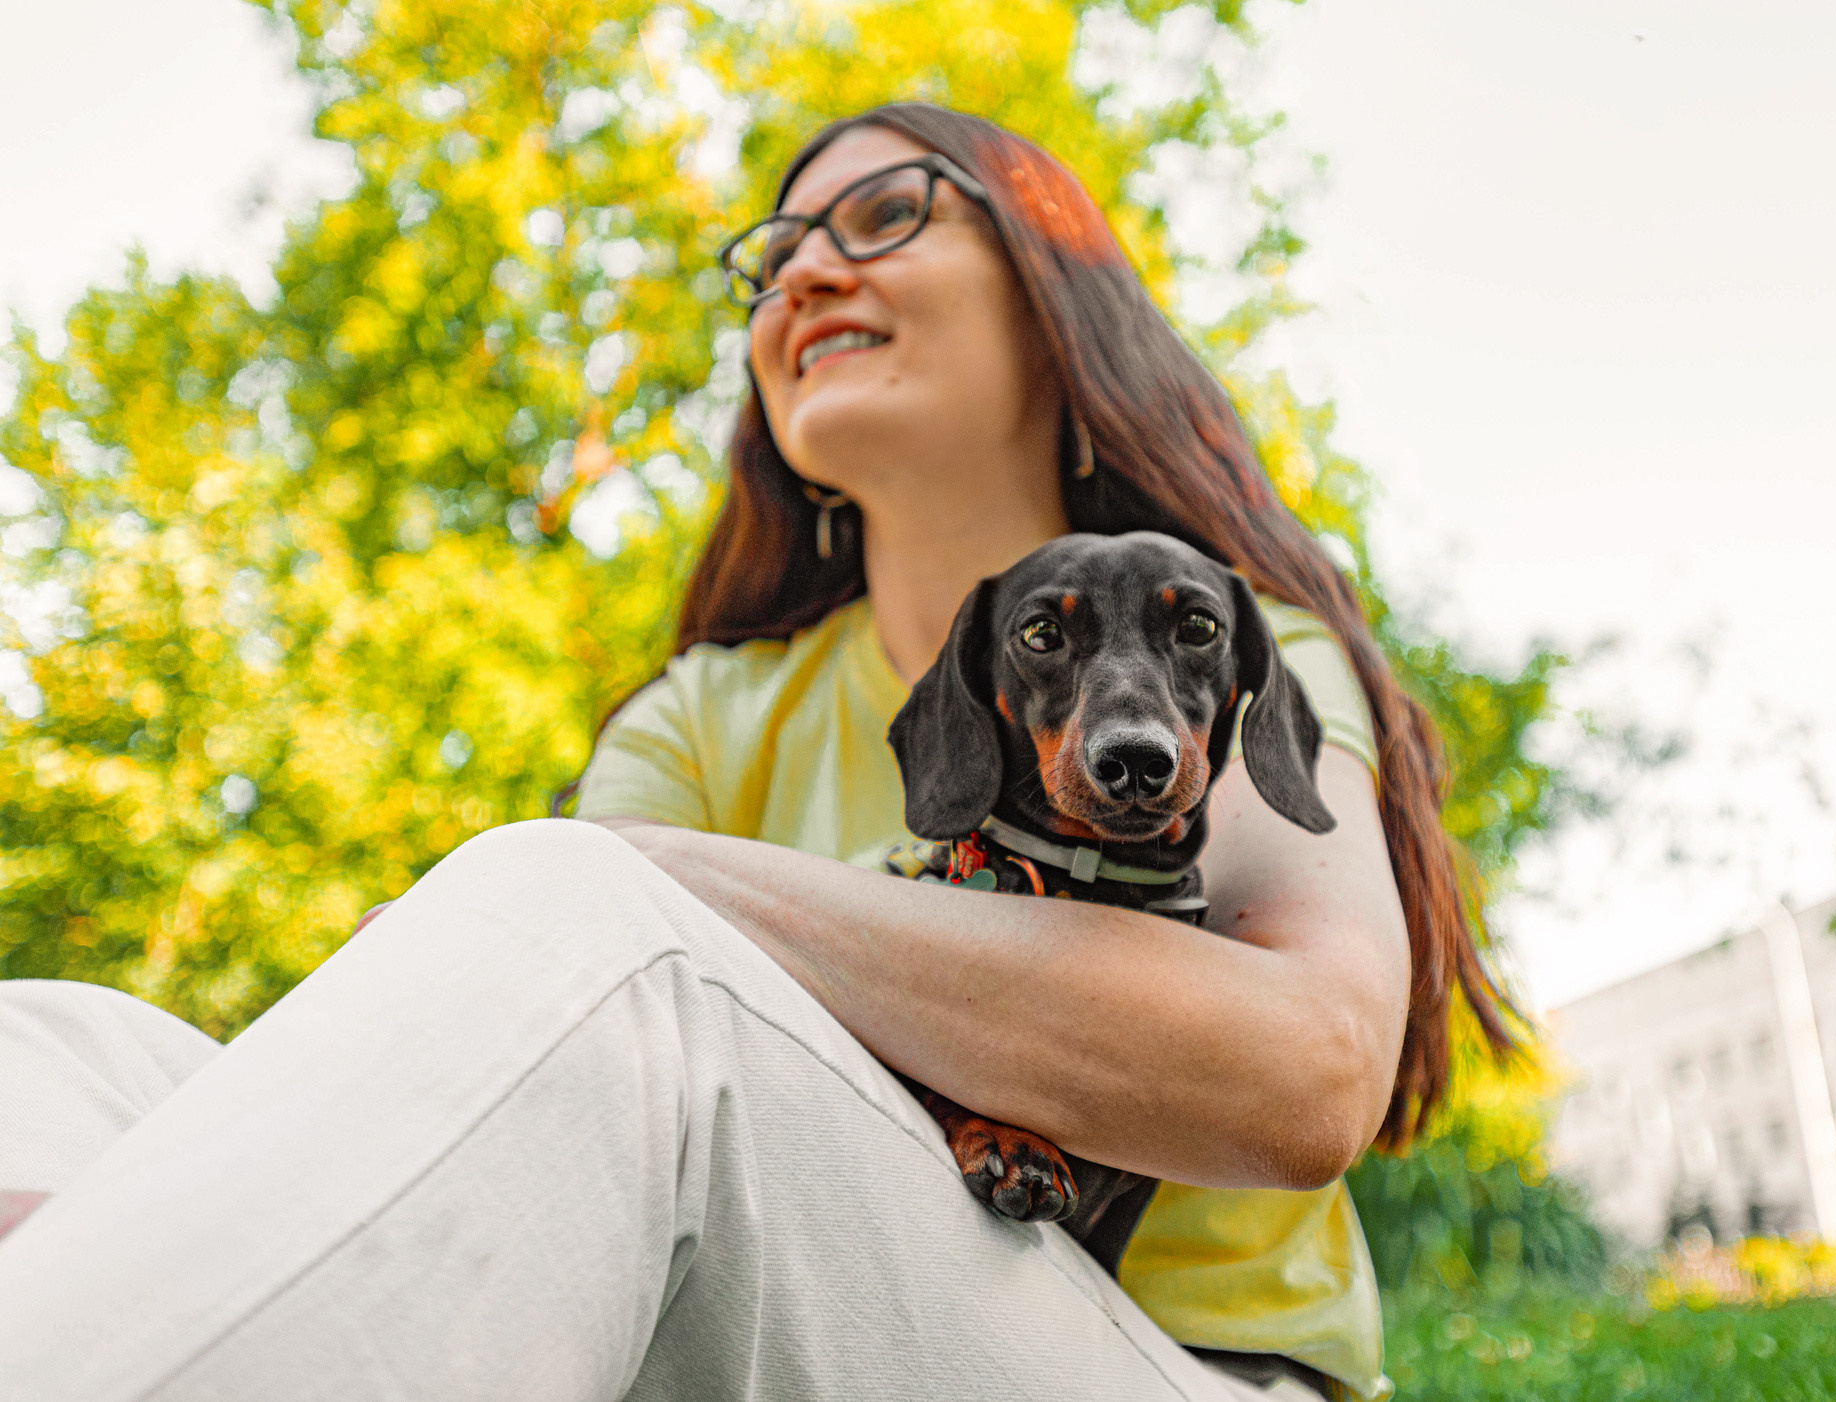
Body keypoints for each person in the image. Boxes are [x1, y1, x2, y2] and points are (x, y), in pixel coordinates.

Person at [0, 103, 1507, 1402]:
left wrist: (654, 889)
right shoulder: (706, 716)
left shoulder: (1218, 656)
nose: (803, 270)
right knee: (56, 1050)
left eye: (883, 211)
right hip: (774, 1325)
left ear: (1059, 298)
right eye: (771, 258)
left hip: (1173, 1366)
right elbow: (556, 1074)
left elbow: (1304, 1078)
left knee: (609, 926)